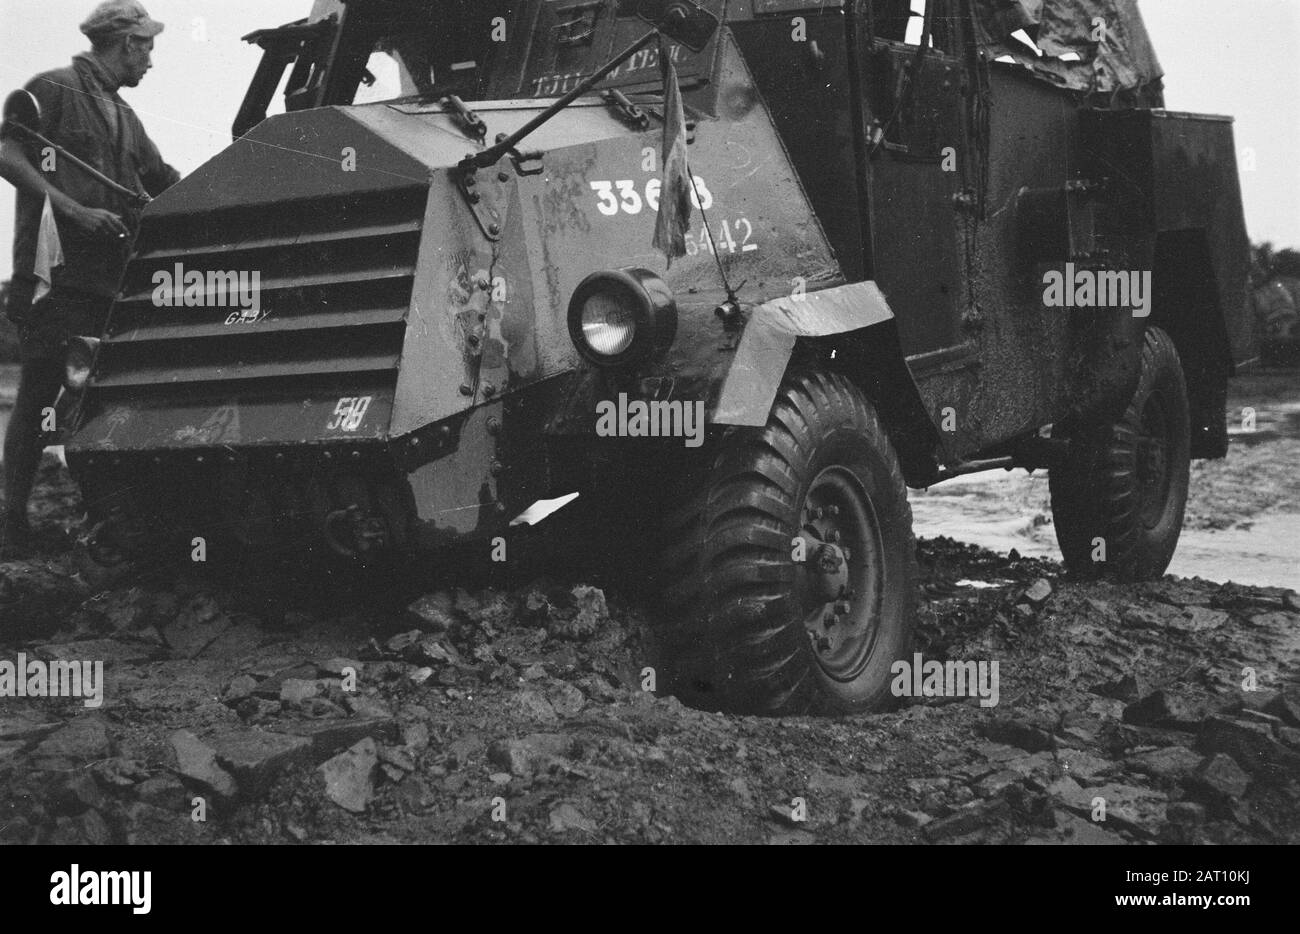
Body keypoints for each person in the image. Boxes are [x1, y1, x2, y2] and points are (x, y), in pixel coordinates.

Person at [0, 1, 179, 558]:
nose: (150, 60)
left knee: (98, 399)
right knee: (38, 394)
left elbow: (164, 179)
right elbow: (6, 152)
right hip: (55, 275)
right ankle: (9, 526)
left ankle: (101, 518)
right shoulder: (50, 89)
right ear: (126, 43)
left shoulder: (127, 118)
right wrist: (75, 212)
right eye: (147, 47)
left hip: (108, 281)